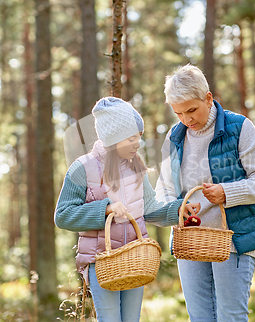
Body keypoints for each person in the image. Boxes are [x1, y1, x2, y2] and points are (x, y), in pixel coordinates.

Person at [54, 97, 199, 322]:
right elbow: (63, 216)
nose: (137, 144)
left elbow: (149, 209)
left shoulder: (136, 168)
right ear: (114, 138)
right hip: (101, 260)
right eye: (131, 138)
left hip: (134, 258)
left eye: (139, 137)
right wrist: (105, 209)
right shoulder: (82, 168)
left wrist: (179, 210)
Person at [155, 64, 255, 322]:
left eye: (192, 110)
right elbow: (164, 188)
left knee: (229, 317)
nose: (187, 120)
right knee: (199, 318)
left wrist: (227, 192)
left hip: (235, 238)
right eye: (178, 113)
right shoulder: (174, 137)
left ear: (208, 98)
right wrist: (176, 207)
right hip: (190, 240)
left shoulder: (239, 127)